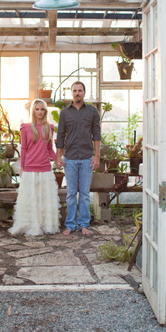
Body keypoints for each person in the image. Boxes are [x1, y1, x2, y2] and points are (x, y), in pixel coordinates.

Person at [9, 99, 61, 236]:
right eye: (37, 109)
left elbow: (50, 148)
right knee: (30, 198)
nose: (39, 112)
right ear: (33, 110)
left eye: (42, 109)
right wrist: (22, 168)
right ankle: (30, 225)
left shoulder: (49, 128)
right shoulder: (25, 127)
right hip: (29, 169)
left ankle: (46, 225)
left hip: (45, 168)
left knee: (44, 199)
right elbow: (24, 148)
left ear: (45, 111)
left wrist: (57, 160)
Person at [55, 81, 101, 235]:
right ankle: (70, 224)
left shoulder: (93, 112)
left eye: (80, 90)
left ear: (84, 93)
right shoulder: (64, 113)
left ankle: (84, 225)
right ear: (71, 93)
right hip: (70, 158)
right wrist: (58, 156)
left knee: (86, 194)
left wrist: (97, 156)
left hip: (87, 157)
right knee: (71, 194)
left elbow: (97, 135)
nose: (77, 93)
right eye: (74, 91)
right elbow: (60, 135)